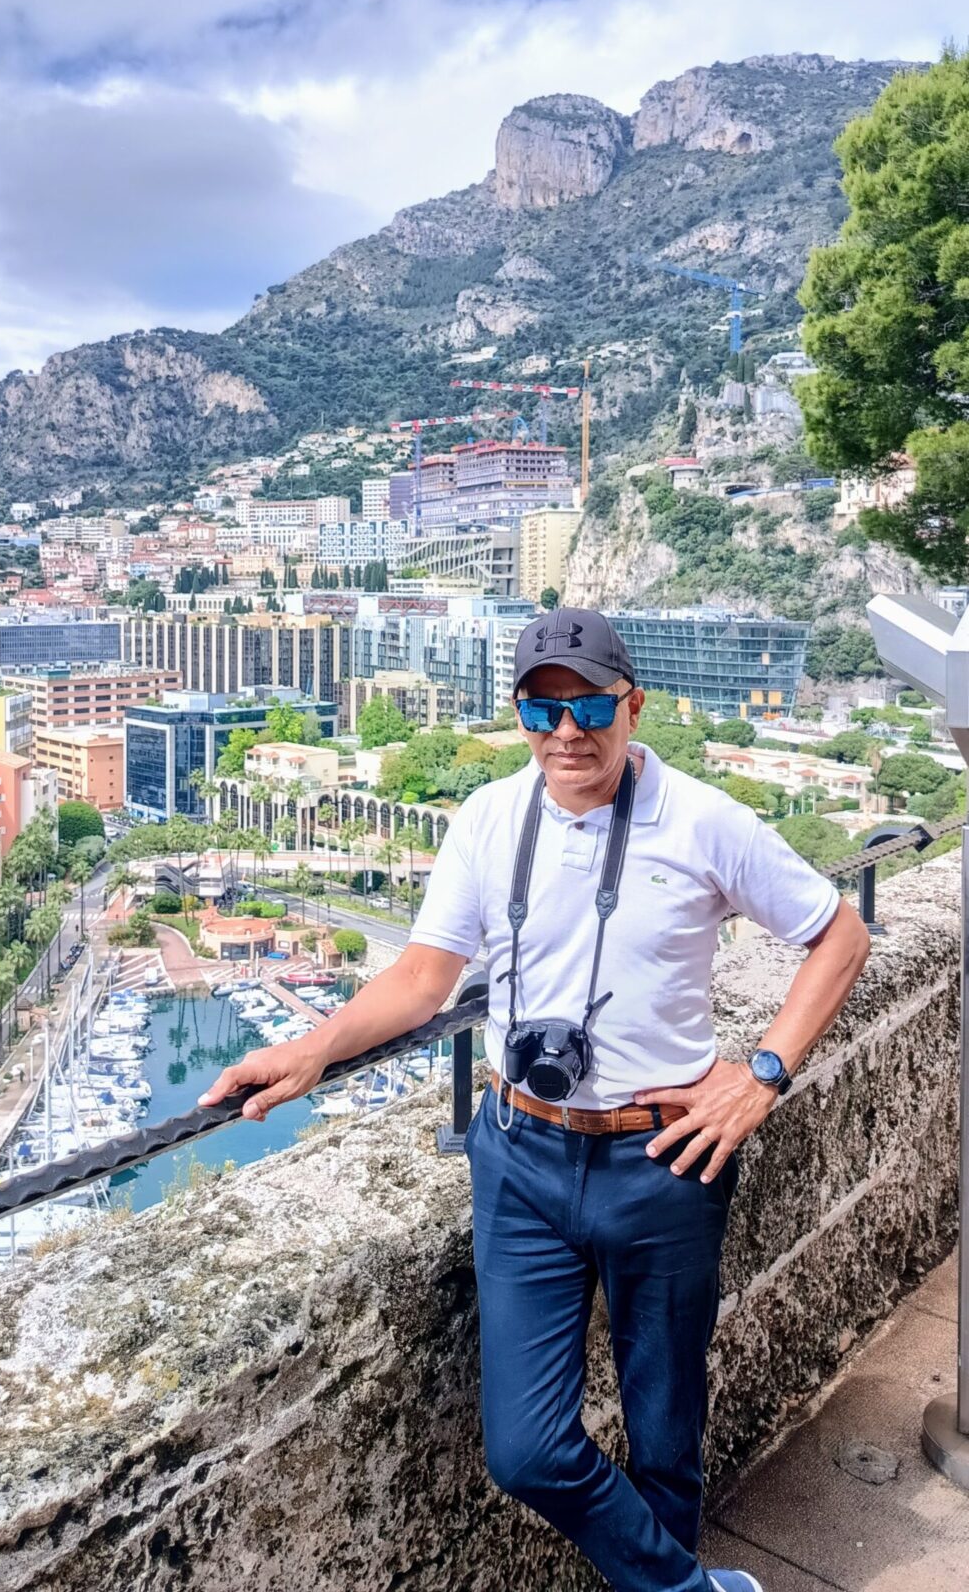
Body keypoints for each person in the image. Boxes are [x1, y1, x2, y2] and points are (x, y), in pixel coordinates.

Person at [201, 608, 871, 1592]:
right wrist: (311, 1049)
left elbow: (840, 935)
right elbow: (424, 981)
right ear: (519, 714)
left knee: (664, 1436)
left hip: (665, 1162)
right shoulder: (485, 820)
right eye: (542, 709)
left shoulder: (704, 821)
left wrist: (761, 1076)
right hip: (521, 1155)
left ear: (633, 707)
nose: (568, 731)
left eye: (592, 705)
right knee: (527, 1450)